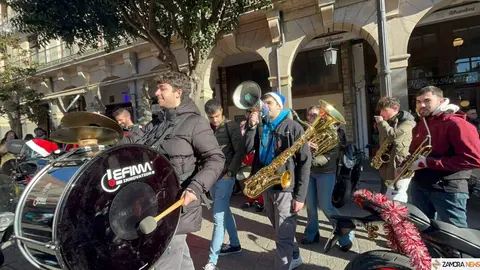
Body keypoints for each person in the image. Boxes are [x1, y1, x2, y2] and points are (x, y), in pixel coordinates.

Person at [121, 71, 225, 269]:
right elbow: (133, 142)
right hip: (154, 203)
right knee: (180, 257)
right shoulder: (156, 124)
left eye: (162, 89)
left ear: (178, 92)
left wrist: (195, 188)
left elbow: (216, 158)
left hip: (177, 207)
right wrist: (104, 136)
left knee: (163, 259)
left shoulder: (195, 122)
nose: (156, 93)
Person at [245, 92, 311, 270]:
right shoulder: (261, 126)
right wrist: (251, 127)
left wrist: (300, 195)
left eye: (269, 102)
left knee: (283, 236)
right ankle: (295, 256)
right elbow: (247, 148)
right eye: (263, 103)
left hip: (285, 187)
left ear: (280, 106)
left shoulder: (293, 126)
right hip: (266, 185)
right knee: (280, 229)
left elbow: (305, 162)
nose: (264, 106)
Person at [405, 86, 480, 228]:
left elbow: (473, 159)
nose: (421, 105)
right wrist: (405, 165)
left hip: (447, 189)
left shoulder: (456, 123)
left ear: (440, 101)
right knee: (421, 232)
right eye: (418, 101)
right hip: (420, 186)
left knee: (453, 236)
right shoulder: (420, 125)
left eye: (427, 100)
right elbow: (414, 153)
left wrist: (429, 163)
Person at [302, 105, 354, 250]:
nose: (312, 118)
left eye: (315, 115)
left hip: (325, 172)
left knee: (326, 206)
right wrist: (304, 148)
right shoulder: (307, 132)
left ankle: (346, 235)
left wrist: (309, 156)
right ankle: (312, 234)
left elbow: (330, 156)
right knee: (311, 207)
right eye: (310, 115)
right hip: (309, 173)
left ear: (322, 116)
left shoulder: (331, 132)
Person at [203, 99, 245, 270]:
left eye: (217, 116)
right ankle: (235, 244)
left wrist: (230, 173)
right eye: (211, 117)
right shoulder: (207, 128)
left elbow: (240, 151)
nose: (214, 120)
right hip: (213, 177)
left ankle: (212, 260)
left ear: (221, 110)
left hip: (225, 177)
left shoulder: (231, 126)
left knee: (218, 218)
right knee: (225, 211)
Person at [374, 97, 416, 202]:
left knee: (397, 196)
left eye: (384, 110)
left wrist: (381, 123)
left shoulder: (407, 122)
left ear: (395, 108)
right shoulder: (390, 121)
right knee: (385, 195)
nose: (381, 113)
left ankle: (396, 214)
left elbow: (394, 136)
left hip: (399, 165)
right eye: (380, 110)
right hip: (387, 164)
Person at [240, 108, 264, 212]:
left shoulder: (261, 124)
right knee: (247, 179)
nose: (249, 115)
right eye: (248, 113)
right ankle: (250, 199)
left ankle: (261, 201)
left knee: (258, 180)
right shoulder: (243, 125)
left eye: (252, 113)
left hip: (255, 155)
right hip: (245, 155)